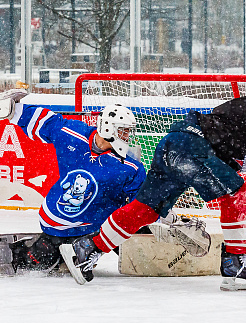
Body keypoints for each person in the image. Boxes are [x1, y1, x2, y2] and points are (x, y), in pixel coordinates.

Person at [61, 80, 246, 290]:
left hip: (173, 146)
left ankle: (87, 248)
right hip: (191, 146)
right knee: (237, 193)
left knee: (146, 208)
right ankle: (235, 266)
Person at [0, 88, 147, 275]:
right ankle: (24, 251)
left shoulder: (130, 166)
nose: (128, 136)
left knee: (140, 238)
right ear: (108, 129)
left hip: (98, 229)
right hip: (59, 222)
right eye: (124, 131)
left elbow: (144, 202)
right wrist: (13, 110)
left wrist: (160, 209)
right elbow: (46, 122)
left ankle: (84, 249)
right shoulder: (74, 135)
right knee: (39, 261)